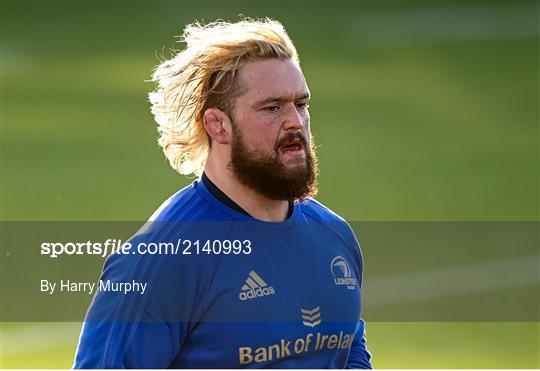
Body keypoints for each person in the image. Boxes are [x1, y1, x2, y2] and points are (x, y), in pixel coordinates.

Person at [74, 18, 372, 368]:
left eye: (301, 105)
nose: (295, 122)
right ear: (218, 125)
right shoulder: (163, 258)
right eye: (272, 107)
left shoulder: (333, 236)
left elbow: (348, 352)